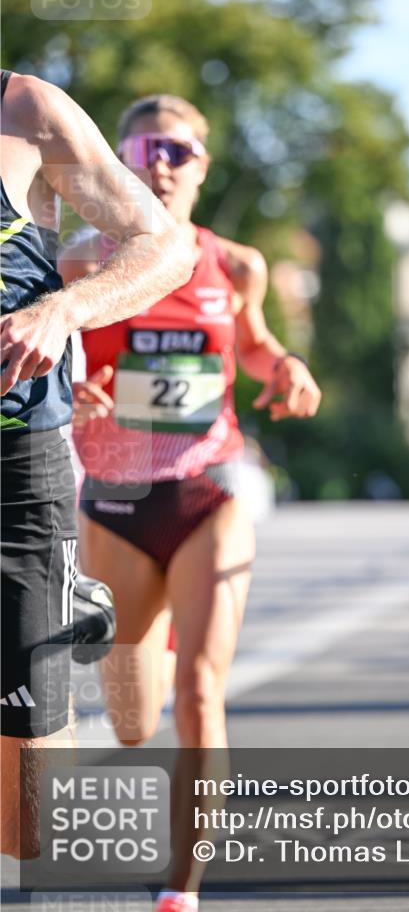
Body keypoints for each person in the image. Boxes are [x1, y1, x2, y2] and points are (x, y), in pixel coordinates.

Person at [60, 93, 322, 912]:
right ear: (120, 165)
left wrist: (285, 368)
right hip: (115, 501)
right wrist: (72, 389)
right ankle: (156, 622)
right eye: (145, 151)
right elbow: (42, 355)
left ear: (202, 169)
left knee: (202, 689)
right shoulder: (80, 263)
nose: (161, 164)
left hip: (211, 489)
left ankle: (183, 890)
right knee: (135, 722)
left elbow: (252, 340)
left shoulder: (237, 264)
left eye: (178, 151)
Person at [0, 69, 194, 859]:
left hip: (15, 460)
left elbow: (165, 245)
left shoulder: (24, 111)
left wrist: (64, 309)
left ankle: (62, 598)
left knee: (26, 829)